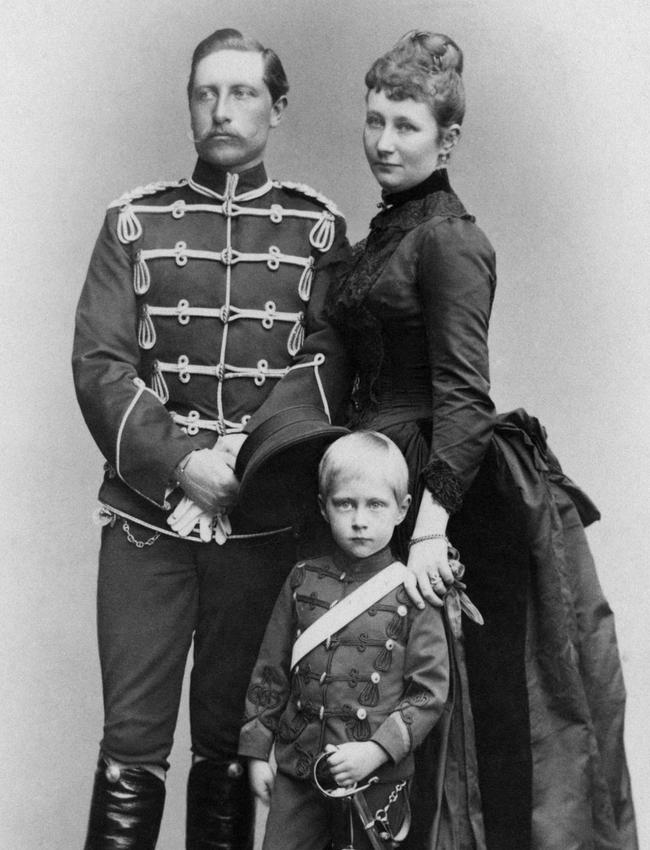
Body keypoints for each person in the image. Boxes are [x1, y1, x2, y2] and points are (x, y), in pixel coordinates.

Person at [325, 30, 638, 850]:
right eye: (374, 121)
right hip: (382, 487)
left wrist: (430, 526)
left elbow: (464, 398)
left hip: (453, 502)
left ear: (447, 140)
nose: (384, 142)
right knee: (387, 716)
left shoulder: (452, 241)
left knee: (485, 722)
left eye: (406, 126)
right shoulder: (385, 237)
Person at [72, 28, 350, 850]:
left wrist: (246, 456)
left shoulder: (319, 231)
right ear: (190, 104)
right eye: (205, 93)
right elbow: (99, 365)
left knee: (231, 744)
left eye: (242, 93)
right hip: (147, 522)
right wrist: (180, 462)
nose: (221, 110)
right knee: (130, 744)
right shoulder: (133, 223)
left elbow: (333, 365)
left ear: (277, 106)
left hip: (261, 523)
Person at [239, 431, 469, 850]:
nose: (359, 519)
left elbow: (430, 693)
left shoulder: (410, 591)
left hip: (375, 778)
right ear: (323, 508)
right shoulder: (301, 580)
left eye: (375, 505)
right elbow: (270, 672)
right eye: (345, 503)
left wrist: (376, 751)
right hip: (299, 772)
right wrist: (256, 752)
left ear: (402, 511)